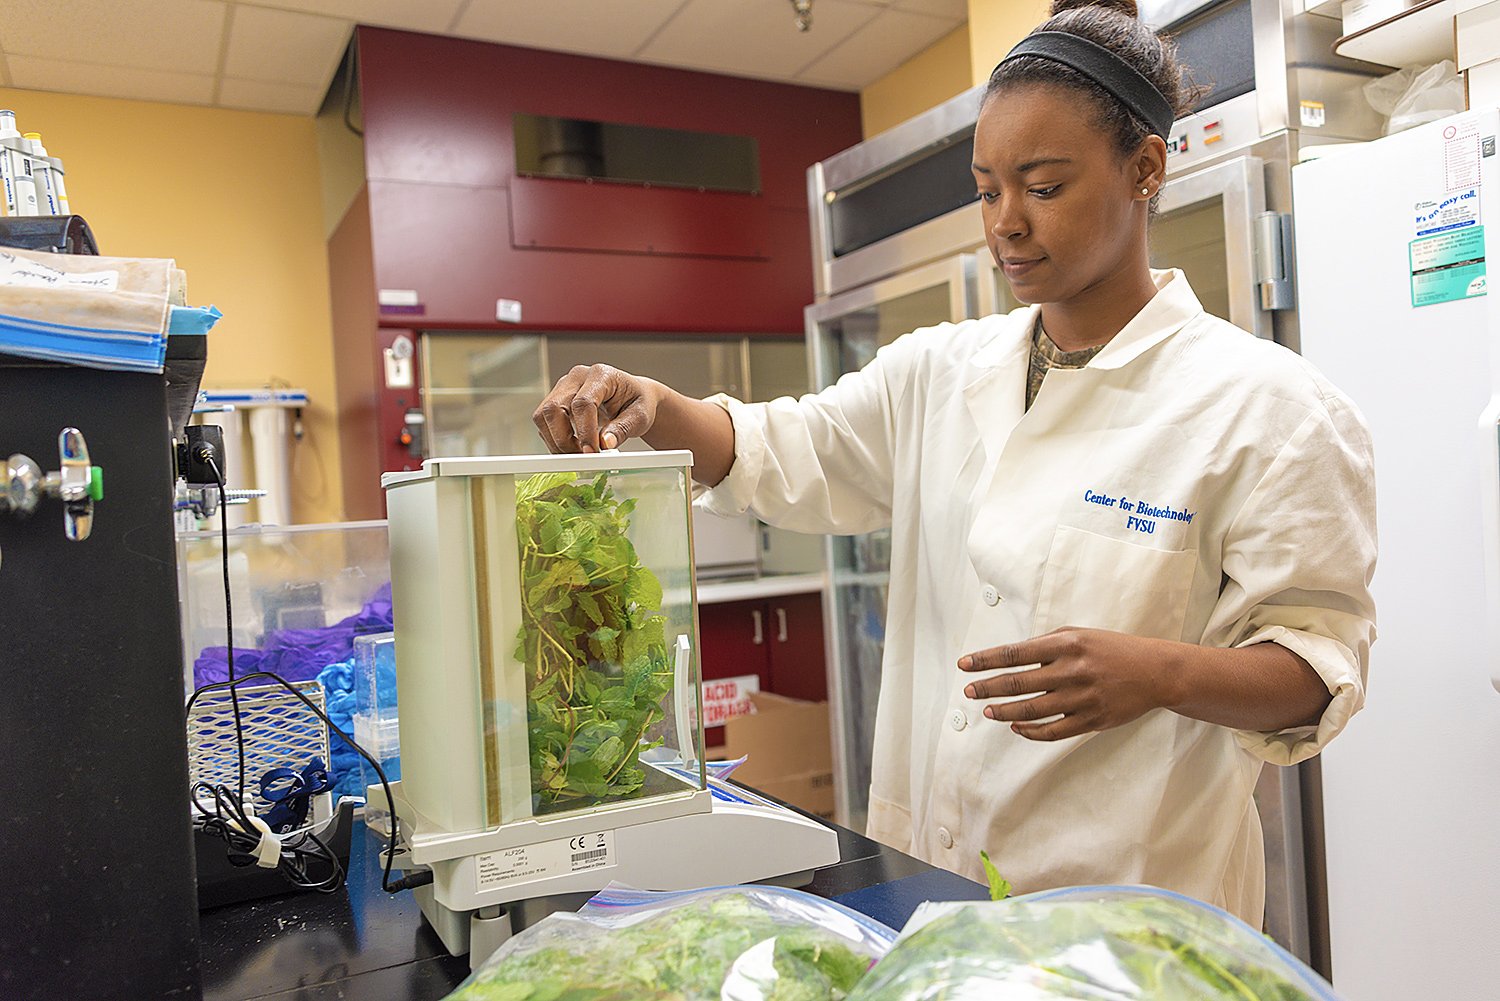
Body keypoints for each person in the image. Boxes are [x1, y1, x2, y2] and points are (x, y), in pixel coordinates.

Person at [532, 0, 1375, 926]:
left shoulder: (1270, 408)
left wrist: (1160, 671)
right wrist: (653, 403)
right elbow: (782, 449)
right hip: (924, 890)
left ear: (1144, 169)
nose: (1006, 223)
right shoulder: (939, 373)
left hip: (1125, 921)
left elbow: (1315, 661)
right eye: (986, 190)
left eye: (1043, 187)